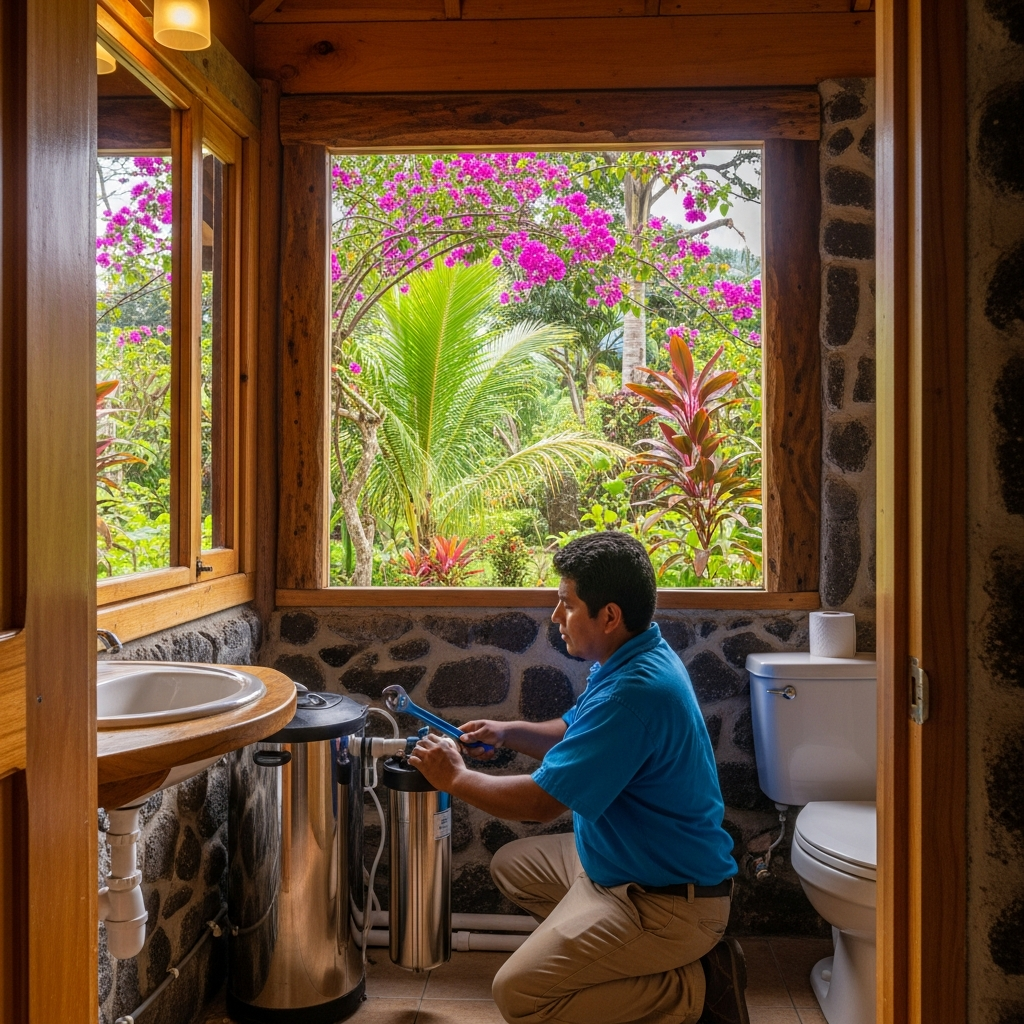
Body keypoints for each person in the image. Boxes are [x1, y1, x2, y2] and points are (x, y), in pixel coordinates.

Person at [409, 532, 750, 1024]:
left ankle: (696, 987)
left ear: (608, 616)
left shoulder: (633, 693)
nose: (555, 616)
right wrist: (507, 732)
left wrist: (454, 778)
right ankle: (609, 956)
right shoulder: (631, 655)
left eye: (566, 604)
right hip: (621, 865)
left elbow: (540, 804)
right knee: (513, 866)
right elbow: (573, 730)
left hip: (667, 903)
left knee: (520, 997)